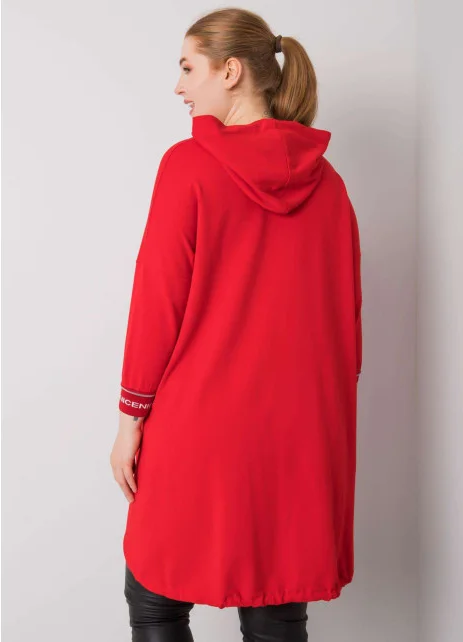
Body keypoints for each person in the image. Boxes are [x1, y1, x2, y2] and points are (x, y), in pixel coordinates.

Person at [110, 7, 363, 641]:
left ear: (230, 71)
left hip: (198, 424)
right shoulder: (330, 185)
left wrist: (130, 419)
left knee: (156, 593)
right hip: (301, 435)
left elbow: (156, 305)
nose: (179, 86)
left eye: (187, 68)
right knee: (277, 598)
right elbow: (347, 326)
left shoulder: (188, 166)